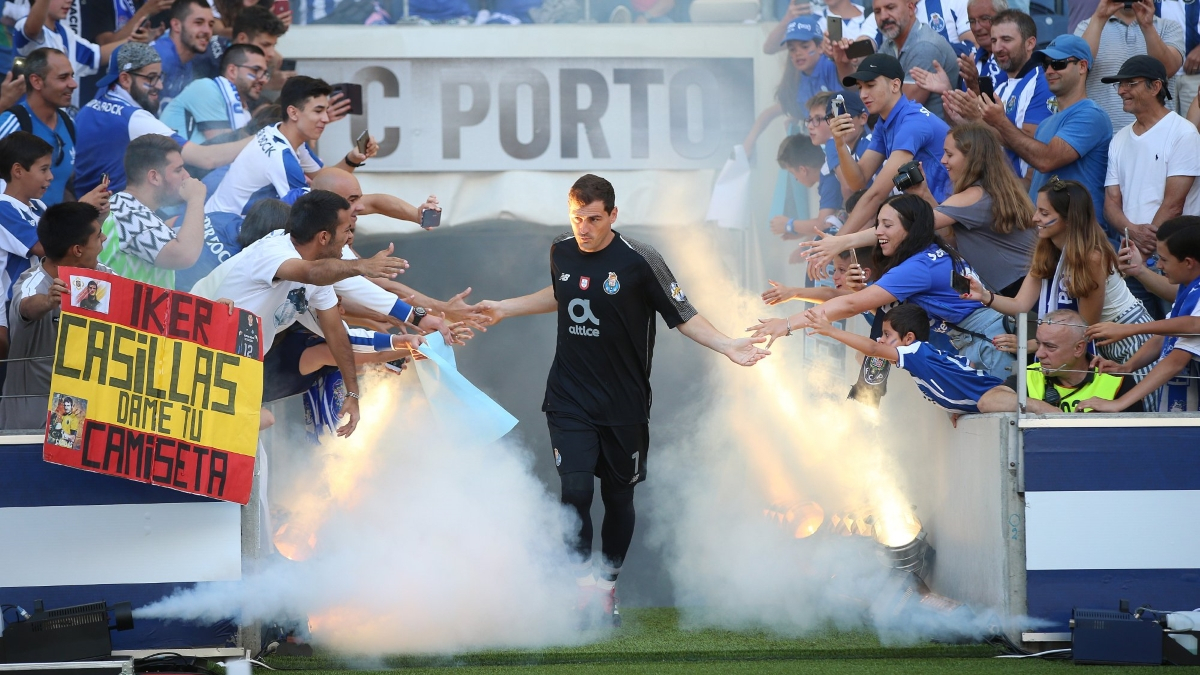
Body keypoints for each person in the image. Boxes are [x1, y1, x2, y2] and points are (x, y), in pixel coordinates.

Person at [474, 174, 770, 625]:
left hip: (624, 404)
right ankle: (580, 592)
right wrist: (505, 307)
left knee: (617, 498)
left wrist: (728, 344)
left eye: (594, 219)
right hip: (569, 396)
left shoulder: (640, 260)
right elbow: (562, 292)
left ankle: (606, 586)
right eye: (577, 218)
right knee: (574, 490)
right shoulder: (561, 250)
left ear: (613, 215)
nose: (584, 228)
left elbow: (682, 313)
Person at [207, 189, 408, 436]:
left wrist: (353, 393)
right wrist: (362, 266)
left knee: (248, 444)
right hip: (205, 354)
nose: (349, 238)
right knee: (261, 422)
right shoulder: (274, 251)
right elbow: (311, 273)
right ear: (324, 237)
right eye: (346, 231)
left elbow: (337, 336)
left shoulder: (319, 278)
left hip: (239, 369)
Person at [752, 194, 1017, 379]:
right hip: (982, 339)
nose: (878, 232)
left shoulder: (917, 267)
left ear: (911, 229)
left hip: (989, 343)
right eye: (878, 224)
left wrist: (786, 324)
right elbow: (850, 299)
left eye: (887, 225)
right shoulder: (928, 252)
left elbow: (850, 304)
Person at [961, 178, 1158, 402]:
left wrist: (1033, 345)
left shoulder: (1092, 257)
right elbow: (1020, 304)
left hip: (1127, 337)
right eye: (1038, 210)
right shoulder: (1048, 250)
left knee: (1138, 420)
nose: (1035, 218)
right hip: (1095, 344)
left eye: (1044, 213)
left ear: (1068, 218)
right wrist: (984, 296)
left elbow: (1084, 326)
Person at [984, 35, 1114, 243]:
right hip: (1047, 237)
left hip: (1082, 239)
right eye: (1046, 65)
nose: (1050, 71)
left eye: (1058, 64)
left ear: (1082, 66)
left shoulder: (1091, 114)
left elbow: (1047, 160)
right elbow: (1034, 181)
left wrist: (1000, 122)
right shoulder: (1046, 124)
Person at [74, 42, 251, 195]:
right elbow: (206, 159)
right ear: (125, 79)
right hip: (111, 219)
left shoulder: (89, 107)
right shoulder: (134, 118)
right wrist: (261, 137)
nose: (159, 86)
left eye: (160, 77)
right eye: (151, 78)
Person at [1102, 54, 1200, 311]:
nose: (1122, 90)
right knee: (1140, 342)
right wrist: (1132, 236)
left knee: (1177, 339)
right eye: (1119, 85)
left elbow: (1174, 204)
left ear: (1156, 86)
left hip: (1173, 257)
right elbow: (1111, 203)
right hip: (1132, 256)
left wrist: (1142, 253)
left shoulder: (1183, 132)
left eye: (1130, 83)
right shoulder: (1119, 139)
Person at [0, 202, 108, 430]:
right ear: (77, 250)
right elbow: (27, 307)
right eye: (98, 236)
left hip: (75, 417)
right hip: (30, 426)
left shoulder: (103, 278)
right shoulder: (31, 284)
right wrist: (49, 301)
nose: (105, 238)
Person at [205, 76, 377, 216]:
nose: (325, 118)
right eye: (318, 111)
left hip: (217, 221)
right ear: (293, 112)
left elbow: (324, 178)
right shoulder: (283, 158)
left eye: (326, 110)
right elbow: (306, 214)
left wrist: (352, 159)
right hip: (224, 237)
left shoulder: (277, 131)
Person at [1079, 216, 1200, 411]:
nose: (1159, 266)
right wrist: (1127, 367)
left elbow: (1185, 344)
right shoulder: (1190, 288)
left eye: (1163, 259)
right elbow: (1164, 334)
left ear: (1188, 262)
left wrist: (1119, 403)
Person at [827, 54, 954, 238]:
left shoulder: (912, 122)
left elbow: (877, 194)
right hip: (932, 218)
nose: (863, 94)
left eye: (870, 85)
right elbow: (858, 181)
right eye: (860, 87)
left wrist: (838, 242)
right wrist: (840, 144)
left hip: (953, 224)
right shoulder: (885, 122)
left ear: (895, 85)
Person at [903, 122, 1035, 297]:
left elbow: (910, 225)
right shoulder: (991, 189)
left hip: (1020, 288)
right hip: (1021, 284)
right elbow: (950, 237)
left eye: (949, 154)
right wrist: (924, 194)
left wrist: (853, 239)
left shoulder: (975, 195)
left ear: (972, 159)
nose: (943, 160)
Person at [805, 302, 1004, 413]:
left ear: (909, 338)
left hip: (994, 394)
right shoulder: (922, 356)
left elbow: (873, 349)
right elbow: (965, 363)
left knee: (987, 403)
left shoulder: (914, 352)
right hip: (993, 390)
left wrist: (831, 331)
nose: (881, 340)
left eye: (887, 335)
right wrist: (955, 408)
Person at [944, 10, 1054, 178]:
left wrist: (978, 120)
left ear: (1030, 43)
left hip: (1024, 196)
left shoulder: (1042, 83)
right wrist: (964, 121)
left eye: (1006, 40)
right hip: (999, 190)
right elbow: (989, 140)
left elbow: (1035, 151)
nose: (997, 48)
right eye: (994, 40)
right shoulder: (1002, 87)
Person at [977, 308, 1145, 412]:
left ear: (1078, 348)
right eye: (1038, 344)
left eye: (1050, 347)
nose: (1040, 354)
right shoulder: (1032, 373)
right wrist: (1041, 407)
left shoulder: (1116, 380)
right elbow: (987, 401)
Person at [98, 134, 208, 288]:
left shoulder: (127, 208)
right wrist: (196, 199)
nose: (187, 176)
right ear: (154, 177)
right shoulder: (128, 212)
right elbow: (184, 255)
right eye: (178, 170)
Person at [831, 0, 961, 119]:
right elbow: (858, 85)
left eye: (890, 8)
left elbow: (899, 108)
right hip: (905, 132)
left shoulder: (925, 46)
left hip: (932, 140)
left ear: (910, 7)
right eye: (877, 11)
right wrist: (842, 62)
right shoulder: (890, 43)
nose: (883, 16)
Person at [1076, 0, 1184, 132]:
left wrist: (1147, 26)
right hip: (1100, 138)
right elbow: (1077, 68)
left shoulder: (1169, 27)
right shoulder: (1087, 26)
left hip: (1157, 135)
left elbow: (1167, 69)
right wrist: (1099, 18)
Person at [743, 16, 841, 157]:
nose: (797, 53)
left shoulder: (830, 67)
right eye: (792, 49)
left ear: (820, 47)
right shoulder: (798, 78)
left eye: (804, 46)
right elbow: (770, 113)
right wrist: (749, 143)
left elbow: (843, 113)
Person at [14, 0, 132, 109]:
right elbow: (31, 29)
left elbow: (96, 55)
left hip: (59, 119)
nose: (69, 1)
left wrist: (135, 40)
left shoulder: (65, 33)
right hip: (32, 117)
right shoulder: (25, 25)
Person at [0, 48, 76, 206]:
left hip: (51, 227)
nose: (73, 84)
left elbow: (63, 185)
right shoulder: (13, 123)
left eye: (72, 76)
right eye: (63, 78)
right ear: (36, 81)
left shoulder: (69, 123)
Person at [159, 43, 266, 145]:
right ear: (232, 71)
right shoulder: (206, 88)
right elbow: (223, 145)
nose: (263, 79)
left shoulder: (245, 113)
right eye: (256, 70)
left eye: (265, 73)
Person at [910, 0, 1009, 97]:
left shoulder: (1014, 58)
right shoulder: (970, 61)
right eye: (972, 21)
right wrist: (947, 91)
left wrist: (975, 87)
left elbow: (1000, 111)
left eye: (984, 19)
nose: (977, 27)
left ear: (1005, 17)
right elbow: (958, 113)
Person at [771, 131, 838, 241]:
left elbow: (824, 224)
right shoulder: (828, 166)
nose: (796, 179)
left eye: (793, 173)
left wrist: (789, 225)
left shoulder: (829, 179)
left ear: (803, 170)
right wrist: (801, 232)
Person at [152, 0, 215, 105]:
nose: (207, 31)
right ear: (176, 25)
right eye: (199, 23)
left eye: (211, 25)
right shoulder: (160, 57)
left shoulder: (188, 60)